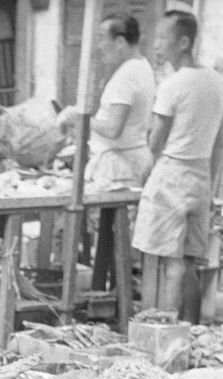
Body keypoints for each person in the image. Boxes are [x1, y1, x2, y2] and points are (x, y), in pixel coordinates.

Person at [133, 9, 223, 321]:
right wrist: (211, 188)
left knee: (169, 264)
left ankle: (163, 335)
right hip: (200, 176)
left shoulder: (173, 85)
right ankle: (191, 330)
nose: (156, 45)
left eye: (162, 38)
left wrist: (144, 176)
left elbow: (155, 143)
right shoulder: (217, 82)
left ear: (183, 42)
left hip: (172, 173)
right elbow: (218, 143)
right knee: (190, 263)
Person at [58, 14, 155, 189]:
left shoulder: (127, 75)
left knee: (107, 216)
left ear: (119, 42)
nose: (99, 46)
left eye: (102, 38)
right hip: (129, 160)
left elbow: (112, 129)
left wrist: (79, 117)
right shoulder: (142, 66)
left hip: (118, 167)